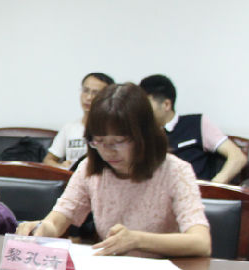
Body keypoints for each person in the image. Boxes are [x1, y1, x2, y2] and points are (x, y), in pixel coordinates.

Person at [18, 83, 211, 258]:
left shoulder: (175, 171)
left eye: (119, 141)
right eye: (99, 141)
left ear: (144, 136)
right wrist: (41, 229)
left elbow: (201, 242)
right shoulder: (89, 169)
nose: (108, 151)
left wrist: (138, 240)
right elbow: (59, 219)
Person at [139, 74, 247, 184]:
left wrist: (214, 186)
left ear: (166, 104)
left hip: (195, 190)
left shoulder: (197, 124)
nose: (142, 110)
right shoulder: (142, 133)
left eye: (146, 105)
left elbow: (237, 157)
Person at [44, 72, 115, 169]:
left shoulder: (114, 130)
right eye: (85, 91)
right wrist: (61, 167)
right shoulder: (69, 128)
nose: (89, 97)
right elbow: (48, 160)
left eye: (96, 93)